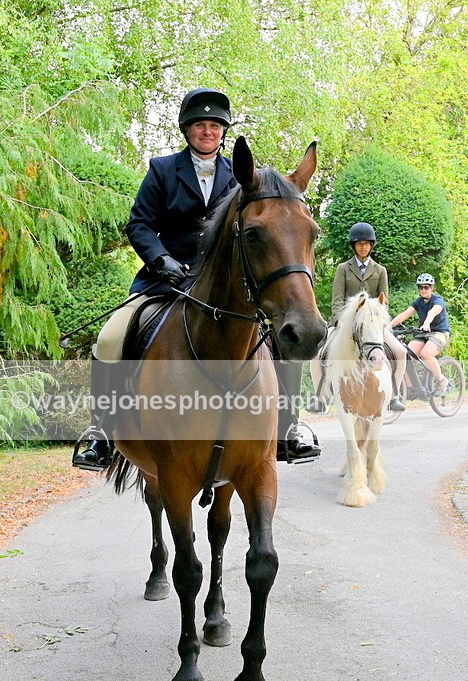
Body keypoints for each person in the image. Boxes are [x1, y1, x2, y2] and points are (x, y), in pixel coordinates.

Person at [73, 88, 320, 469]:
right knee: (110, 338)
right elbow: (139, 224)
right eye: (200, 125)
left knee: (279, 337)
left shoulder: (241, 177)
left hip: (223, 288)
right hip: (165, 283)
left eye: (215, 126)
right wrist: (163, 261)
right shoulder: (162, 169)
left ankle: (289, 427)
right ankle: (101, 432)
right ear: (187, 130)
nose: (208, 132)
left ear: (223, 132)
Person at [307, 222, 406, 413]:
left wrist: (380, 321)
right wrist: (340, 320)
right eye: (359, 244)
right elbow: (337, 299)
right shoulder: (343, 269)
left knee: (401, 353)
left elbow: (383, 301)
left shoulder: (380, 271)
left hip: (372, 325)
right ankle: (319, 398)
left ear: (371, 246)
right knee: (317, 355)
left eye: (367, 244)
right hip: (347, 324)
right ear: (354, 246)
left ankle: (394, 396)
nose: (363, 247)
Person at [389, 273, 451, 393]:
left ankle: (441, 379)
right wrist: (387, 327)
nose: (423, 290)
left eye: (426, 287)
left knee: (425, 353)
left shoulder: (438, 300)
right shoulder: (418, 302)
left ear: (432, 288)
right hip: (424, 333)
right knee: (405, 354)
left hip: (440, 333)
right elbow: (404, 315)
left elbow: (432, 312)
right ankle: (410, 387)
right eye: (421, 287)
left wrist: (427, 323)